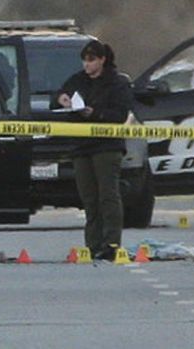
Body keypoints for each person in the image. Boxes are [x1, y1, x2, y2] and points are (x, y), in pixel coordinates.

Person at [53, 40, 134, 260]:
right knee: (89, 198)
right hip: (81, 146)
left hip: (107, 146)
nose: (86, 65)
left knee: (108, 195)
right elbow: (58, 96)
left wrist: (95, 113)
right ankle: (92, 244)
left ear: (102, 60)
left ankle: (111, 243)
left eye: (91, 60)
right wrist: (61, 98)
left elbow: (120, 114)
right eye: (84, 60)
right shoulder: (78, 80)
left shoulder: (117, 83)